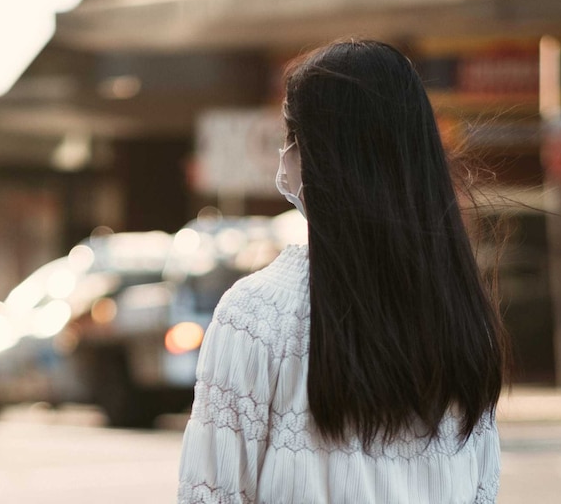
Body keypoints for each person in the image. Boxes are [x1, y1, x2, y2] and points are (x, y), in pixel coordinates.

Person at [177, 39, 508, 503]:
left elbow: (208, 494)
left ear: (315, 157)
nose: (283, 156)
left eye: (289, 139)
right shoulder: (460, 312)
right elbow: (482, 490)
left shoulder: (255, 316)